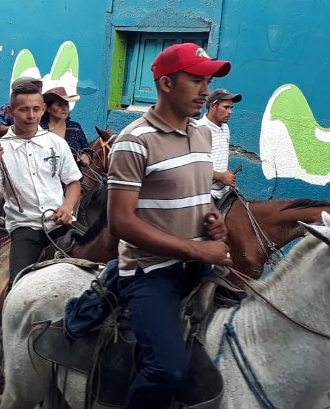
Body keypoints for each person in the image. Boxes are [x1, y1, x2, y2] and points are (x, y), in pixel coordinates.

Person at [107, 43, 233, 408]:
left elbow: (198, 194)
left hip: (200, 265)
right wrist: (197, 248)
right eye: (195, 80)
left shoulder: (203, 134)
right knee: (169, 370)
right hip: (150, 272)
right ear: (165, 83)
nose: (205, 91)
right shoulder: (134, 141)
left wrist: (214, 219)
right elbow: (121, 223)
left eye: (207, 81)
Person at [0, 81, 82, 288]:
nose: (31, 116)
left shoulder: (56, 143)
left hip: (61, 224)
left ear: (43, 109)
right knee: (18, 287)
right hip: (26, 228)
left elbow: (73, 182)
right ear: (11, 111)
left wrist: (67, 207)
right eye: (24, 110)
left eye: (36, 109)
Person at [198, 89, 243, 201]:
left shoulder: (225, 128)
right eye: (226, 107)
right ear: (213, 106)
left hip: (223, 191)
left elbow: (221, 156)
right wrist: (221, 177)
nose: (230, 112)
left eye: (231, 108)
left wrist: (227, 174)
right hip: (203, 193)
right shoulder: (198, 130)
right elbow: (193, 167)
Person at [42, 87, 92, 168]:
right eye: (59, 105)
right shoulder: (40, 129)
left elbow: (87, 150)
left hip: (73, 178)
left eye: (66, 104)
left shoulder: (75, 127)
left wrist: (86, 157)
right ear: (48, 108)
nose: (64, 108)